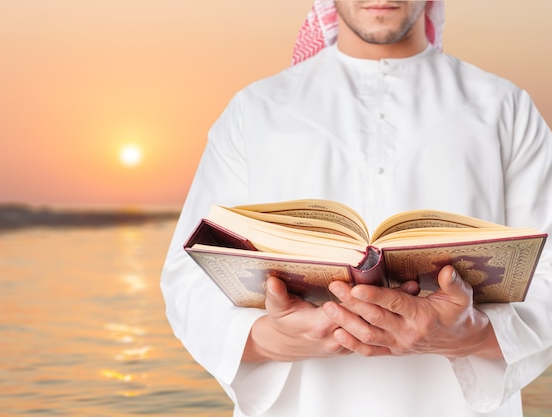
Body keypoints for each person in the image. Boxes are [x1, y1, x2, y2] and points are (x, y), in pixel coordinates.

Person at [161, 1, 552, 416]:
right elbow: (190, 273)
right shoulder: (255, 110)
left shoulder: (504, 108)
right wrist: (269, 339)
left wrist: (470, 335)